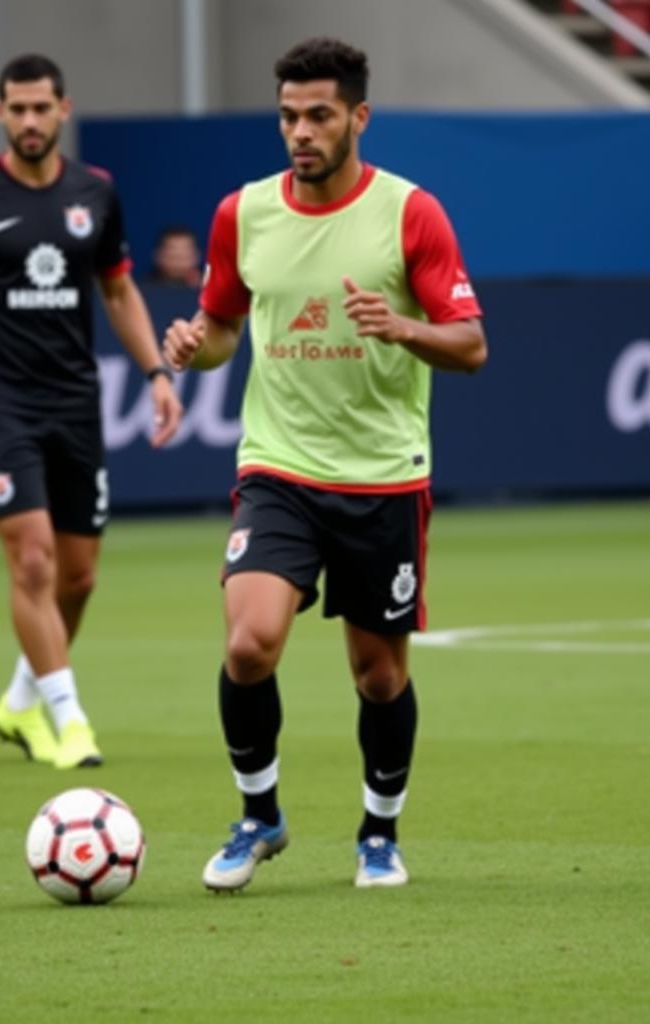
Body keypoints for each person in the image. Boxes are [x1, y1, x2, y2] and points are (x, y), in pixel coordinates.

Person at [163, 38, 486, 891]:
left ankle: (379, 834)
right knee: (249, 644)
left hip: (383, 476)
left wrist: (405, 327)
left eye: (317, 116)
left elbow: (472, 345)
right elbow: (223, 326)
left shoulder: (412, 213)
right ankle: (259, 816)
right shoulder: (244, 213)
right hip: (279, 467)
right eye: (287, 116)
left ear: (357, 118)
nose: (299, 132)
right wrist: (196, 346)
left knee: (378, 675)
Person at [0, 53, 182, 770]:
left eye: (41, 108)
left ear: (63, 110)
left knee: (78, 578)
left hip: (76, 404)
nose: (29, 121)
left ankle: (19, 701)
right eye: (16, 109)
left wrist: (158, 374)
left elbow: (117, 291)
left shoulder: (97, 193)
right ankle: (71, 722)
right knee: (36, 561)